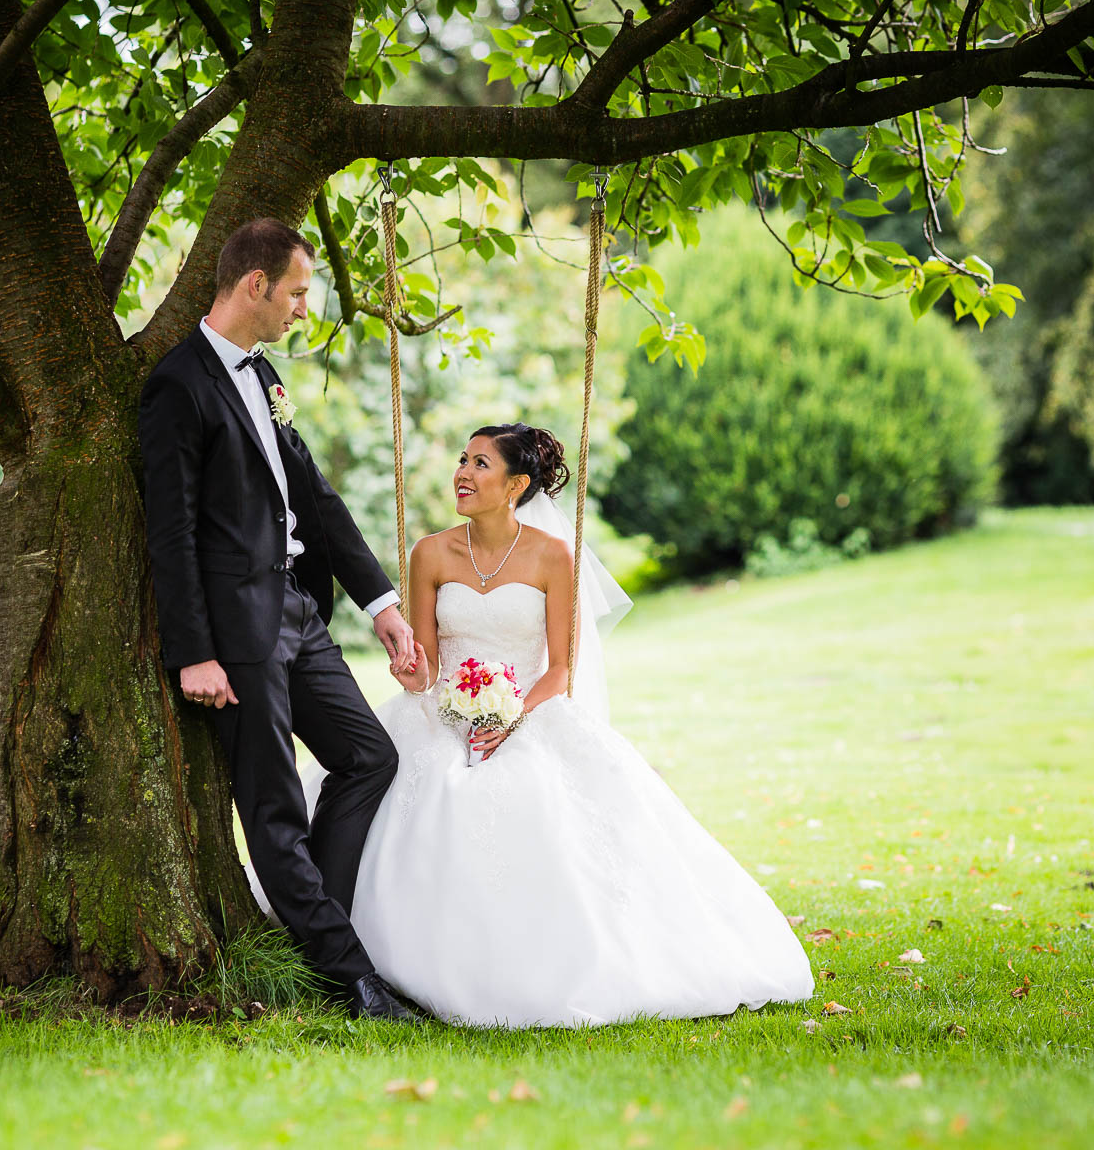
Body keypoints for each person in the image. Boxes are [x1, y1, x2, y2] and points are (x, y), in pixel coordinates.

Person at [260, 423, 815, 1027]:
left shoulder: (553, 556)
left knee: (535, 799)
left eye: (481, 465)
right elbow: (424, 671)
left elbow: (559, 671)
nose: (463, 474)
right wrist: (410, 668)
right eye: (463, 460)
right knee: (418, 782)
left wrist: (509, 716)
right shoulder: (431, 553)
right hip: (443, 714)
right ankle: (354, 951)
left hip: (527, 711)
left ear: (517, 484)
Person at [138, 217, 420, 1022]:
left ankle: (314, 934)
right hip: (234, 631)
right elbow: (172, 532)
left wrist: (384, 606)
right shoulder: (178, 386)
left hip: (299, 609)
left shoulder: (263, 379)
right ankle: (352, 980)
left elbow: (317, 500)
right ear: (255, 285)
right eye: (298, 292)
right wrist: (193, 653)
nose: (305, 307)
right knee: (272, 805)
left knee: (369, 757)